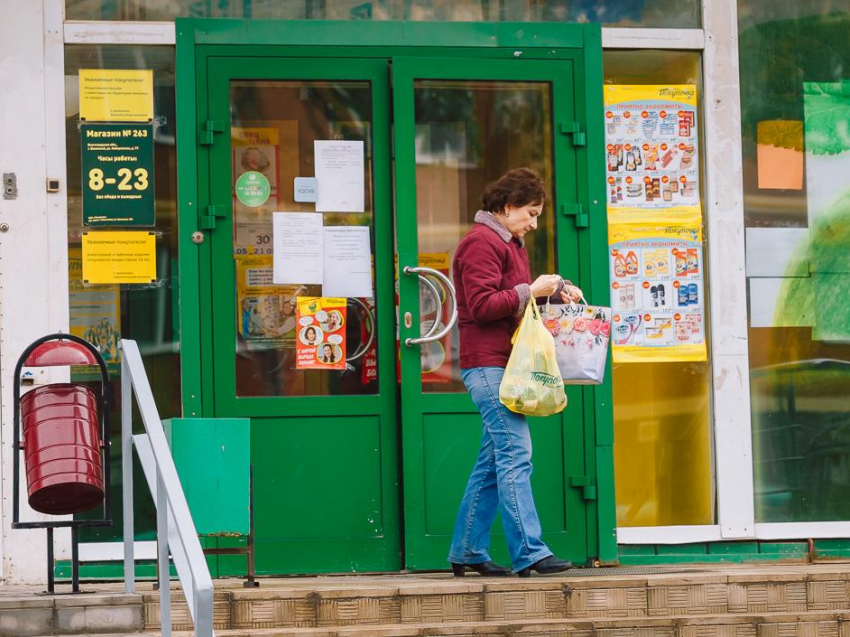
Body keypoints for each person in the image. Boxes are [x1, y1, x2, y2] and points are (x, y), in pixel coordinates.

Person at [448, 167, 582, 578]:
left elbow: (515, 301)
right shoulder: (479, 244)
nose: (534, 223)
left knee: (493, 460)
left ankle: (468, 550)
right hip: (486, 363)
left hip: (502, 363)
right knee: (515, 454)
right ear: (506, 207)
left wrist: (554, 291)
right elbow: (484, 305)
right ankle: (530, 552)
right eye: (530, 213)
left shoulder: (508, 242)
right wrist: (532, 290)